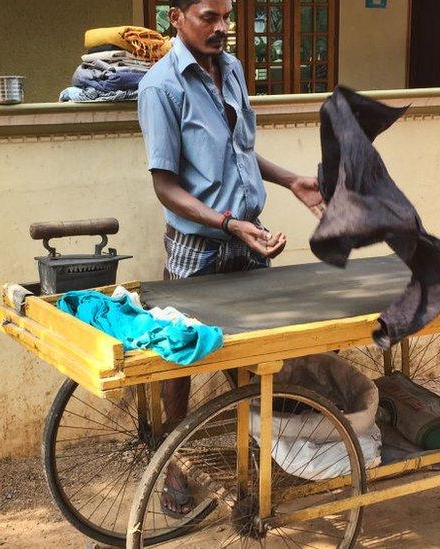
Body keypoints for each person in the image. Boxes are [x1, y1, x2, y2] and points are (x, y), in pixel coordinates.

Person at [136, 0, 323, 516]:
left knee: (254, 352)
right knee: (181, 357)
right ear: (175, 17)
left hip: (249, 235)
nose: (222, 28)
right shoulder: (160, 86)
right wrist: (224, 223)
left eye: (227, 17)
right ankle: (174, 461)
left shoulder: (234, 69)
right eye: (208, 17)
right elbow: (165, 185)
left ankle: (260, 450)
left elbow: (240, 150)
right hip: (198, 245)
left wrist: (290, 181)